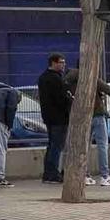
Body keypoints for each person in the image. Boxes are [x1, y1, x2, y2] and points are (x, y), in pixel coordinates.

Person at [37, 54, 71, 184]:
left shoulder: (43, 77)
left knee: (52, 145)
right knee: (56, 146)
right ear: (53, 63)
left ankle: (48, 172)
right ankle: (52, 173)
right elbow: (61, 98)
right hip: (59, 117)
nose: (63, 65)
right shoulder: (55, 79)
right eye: (61, 62)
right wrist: (69, 99)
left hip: (48, 116)